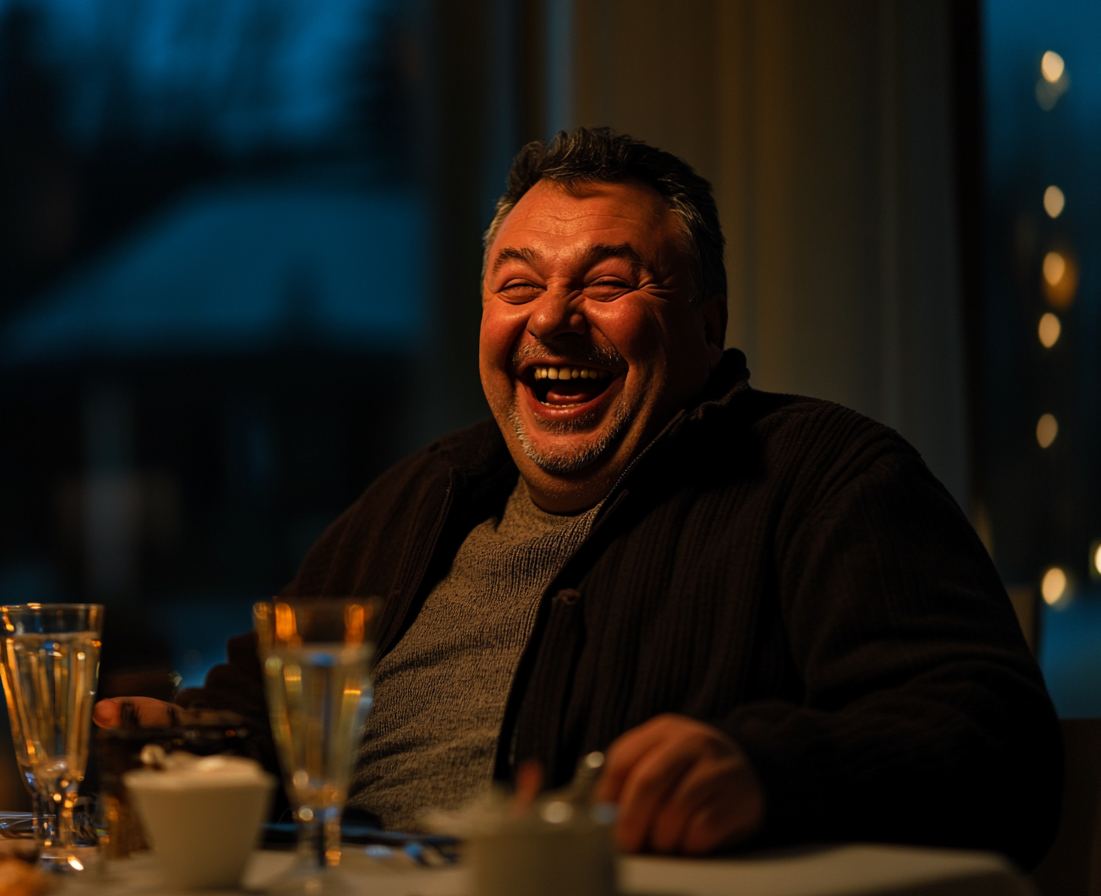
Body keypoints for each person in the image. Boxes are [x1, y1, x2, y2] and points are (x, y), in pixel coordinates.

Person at [95, 127, 1062, 866]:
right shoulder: (413, 501)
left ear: (707, 322)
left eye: (608, 283)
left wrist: (769, 771)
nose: (551, 321)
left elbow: (995, 741)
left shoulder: (824, 476)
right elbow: (255, 720)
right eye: (517, 288)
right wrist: (174, 742)